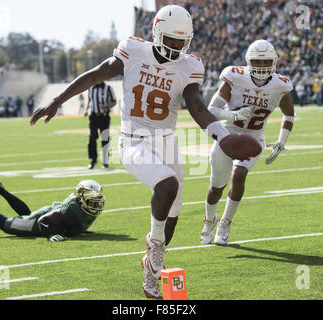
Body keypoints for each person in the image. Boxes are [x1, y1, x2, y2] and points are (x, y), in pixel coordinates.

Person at [30, 5, 253, 299]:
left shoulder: (190, 66)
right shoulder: (133, 50)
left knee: (173, 215)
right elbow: (96, 75)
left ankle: (151, 266)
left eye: (182, 40)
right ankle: (154, 246)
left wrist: (221, 135)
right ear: (157, 33)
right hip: (133, 140)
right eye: (171, 38)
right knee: (167, 185)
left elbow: (196, 107)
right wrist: (58, 100)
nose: (176, 46)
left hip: (167, 141)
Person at [200, 39, 295, 246]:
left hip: (255, 138)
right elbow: (211, 110)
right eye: (257, 61)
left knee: (240, 173)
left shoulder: (280, 85)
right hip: (227, 136)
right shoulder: (234, 77)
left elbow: (289, 115)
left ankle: (225, 222)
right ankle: (210, 219)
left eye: (266, 61)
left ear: (274, 61)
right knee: (217, 186)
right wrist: (233, 116)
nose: (262, 66)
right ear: (248, 61)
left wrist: (281, 141)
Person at [0, 178, 105, 242]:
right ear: (81, 195)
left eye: (96, 195)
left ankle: (0, 190)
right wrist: (49, 235)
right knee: (6, 224)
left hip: (50, 215)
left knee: (27, 216)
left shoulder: (83, 206)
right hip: (42, 221)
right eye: (91, 195)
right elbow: (43, 220)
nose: (95, 199)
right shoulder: (73, 208)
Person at [84, 81, 117, 169]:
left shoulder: (108, 88)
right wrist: (86, 110)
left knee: (105, 138)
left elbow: (114, 101)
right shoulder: (91, 87)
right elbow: (89, 100)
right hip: (93, 116)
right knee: (92, 137)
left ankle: (105, 162)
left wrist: (106, 107)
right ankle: (93, 160)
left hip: (104, 116)